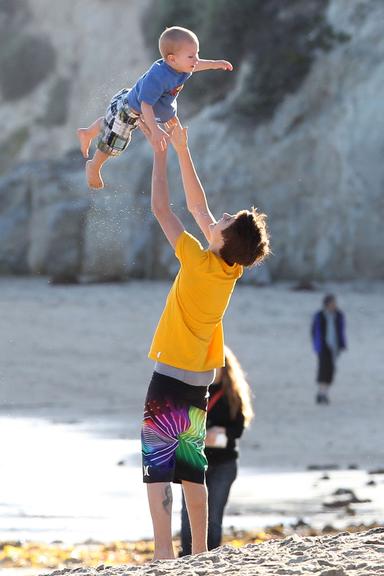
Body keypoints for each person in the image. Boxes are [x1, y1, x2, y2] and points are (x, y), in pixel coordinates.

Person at [139, 118, 270, 560]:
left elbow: (164, 208)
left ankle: (163, 554)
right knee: (192, 468)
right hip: (198, 382)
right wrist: (181, 148)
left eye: (225, 220)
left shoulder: (196, 260)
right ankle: (198, 553)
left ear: (221, 238)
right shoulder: (229, 268)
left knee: (159, 470)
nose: (221, 215)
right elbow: (199, 208)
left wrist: (160, 154)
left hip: (168, 377)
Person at [77, 26, 232, 189]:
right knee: (116, 138)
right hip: (132, 109)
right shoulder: (159, 76)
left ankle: (87, 133)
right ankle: (94, 166)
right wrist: (155, 129)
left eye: (197, 53)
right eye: (192, 56)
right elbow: (146, 105)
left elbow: (198, 64)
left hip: (133, 101)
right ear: (172, 59)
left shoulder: (184, 66)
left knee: (112, 122)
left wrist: (215, 64)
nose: (196, 60)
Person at [180, 346, 254, 555]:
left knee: (213, 517)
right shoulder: (194, 390)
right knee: (188, 515)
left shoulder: (233, 394)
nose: (211, 370)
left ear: (224, 367)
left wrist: (221, 433)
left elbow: (238, 428)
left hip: (224, 463)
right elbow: (181, 425)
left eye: (215, 365)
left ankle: (210, 556)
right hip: (194, 459)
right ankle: (188, 555)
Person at [311, 294, 347, 405]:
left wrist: (342, 344)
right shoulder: (320, 315)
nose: (334, 305)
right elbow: (314, 331)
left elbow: (341, 331)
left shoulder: (339, 315)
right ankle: (322, 393)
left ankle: (324, 393)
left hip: (334, 346)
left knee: (331, 370)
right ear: (326, 304)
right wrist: (317, 345)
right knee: (323, 369)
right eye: (332, 303)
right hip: (323, 346)